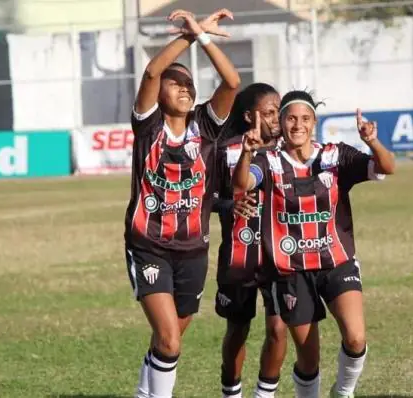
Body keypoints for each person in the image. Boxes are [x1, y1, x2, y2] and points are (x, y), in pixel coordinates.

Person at [232, 90, 395, 398]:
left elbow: (387, 167)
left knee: (356, 338)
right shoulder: (268, 161)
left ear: (314, 122)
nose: (298, 125)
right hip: (291, 271)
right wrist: (247, 154)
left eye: (305, 119)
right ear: (281, 122)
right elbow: (242, 185)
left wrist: (372, 141)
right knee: (309, 360)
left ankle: (343, 393)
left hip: (336, 261)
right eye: (291, 118)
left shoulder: (336, 156)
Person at [124, 8, 240, 398]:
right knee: (170, 340)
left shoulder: (206, 128)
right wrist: (191, 34)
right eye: (176, 83)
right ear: (159, 96)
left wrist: (204, 38)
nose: (185, 88)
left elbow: (232, 81)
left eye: (189, 84)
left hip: (193, 250)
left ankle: (146, 392)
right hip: (149, 245)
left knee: (168, 340)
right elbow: (153, 72)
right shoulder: (148, 127)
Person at [213, 83, 288, 398]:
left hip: (281, 255)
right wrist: (230, 205)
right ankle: (231, 392)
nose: (276, 119)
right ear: (248, 116)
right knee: (237, 330)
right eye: (269, 113)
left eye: (278, 111)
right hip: (240, 255)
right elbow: (206, 198)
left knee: (278, 328)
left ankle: (264, 395)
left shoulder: (292, 149)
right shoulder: (225, 151)